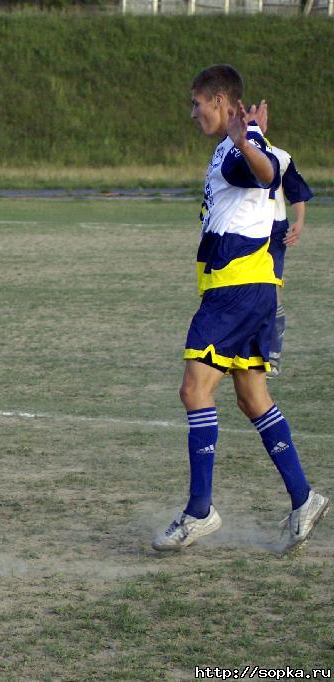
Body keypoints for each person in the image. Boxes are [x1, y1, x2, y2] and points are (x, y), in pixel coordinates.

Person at [151, 65, 327, 554]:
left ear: (222, 100)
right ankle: (303, 497)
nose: (192, 113)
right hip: (250, 290)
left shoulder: (237, 149)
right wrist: (251, 138)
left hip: (236, 290)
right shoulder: (237, 143)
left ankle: (199, 511)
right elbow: (268, 173)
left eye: (197, 103)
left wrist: (248, 142)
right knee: (252, 398)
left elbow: (265, 171)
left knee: (194, 388)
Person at [246, 105, 314, 378]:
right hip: (246, 231)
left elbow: (297, 192)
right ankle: (245, 353)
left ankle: (272, 355)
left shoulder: (280, 157)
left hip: (274, 232)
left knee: (271, 294)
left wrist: (300, 221)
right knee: (245, 291)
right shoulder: (239, 154)